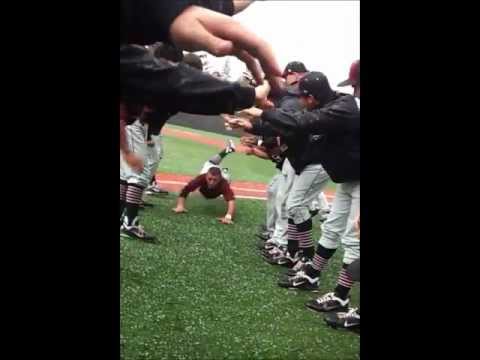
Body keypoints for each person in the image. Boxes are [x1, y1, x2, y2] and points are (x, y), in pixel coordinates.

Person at [226, 71, 360, 292]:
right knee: (331, 228)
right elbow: (291, 127)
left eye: (303, 96)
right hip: (346, 176)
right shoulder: (332, 106)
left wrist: (261, 112)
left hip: (344, 172)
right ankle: (312, 274)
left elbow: (299, 123)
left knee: (352, 238)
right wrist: (253, 125)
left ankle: (340, 294)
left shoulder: (345, 107)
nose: (299, 100)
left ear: (313, 96)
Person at [172, 142, 237, 224]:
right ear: (206, 176)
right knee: (212, 162)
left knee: (227, 176)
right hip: (209, 166)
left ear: (220, 179)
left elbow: (231, 200)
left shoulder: (223, 182)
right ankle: (229, 149)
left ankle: (227, 160)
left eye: (215, 180)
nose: (212, 182)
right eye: (209, 179)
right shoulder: (201, 178)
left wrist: (228, 217)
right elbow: (186, 190)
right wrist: (180, 206)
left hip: (222, 175)